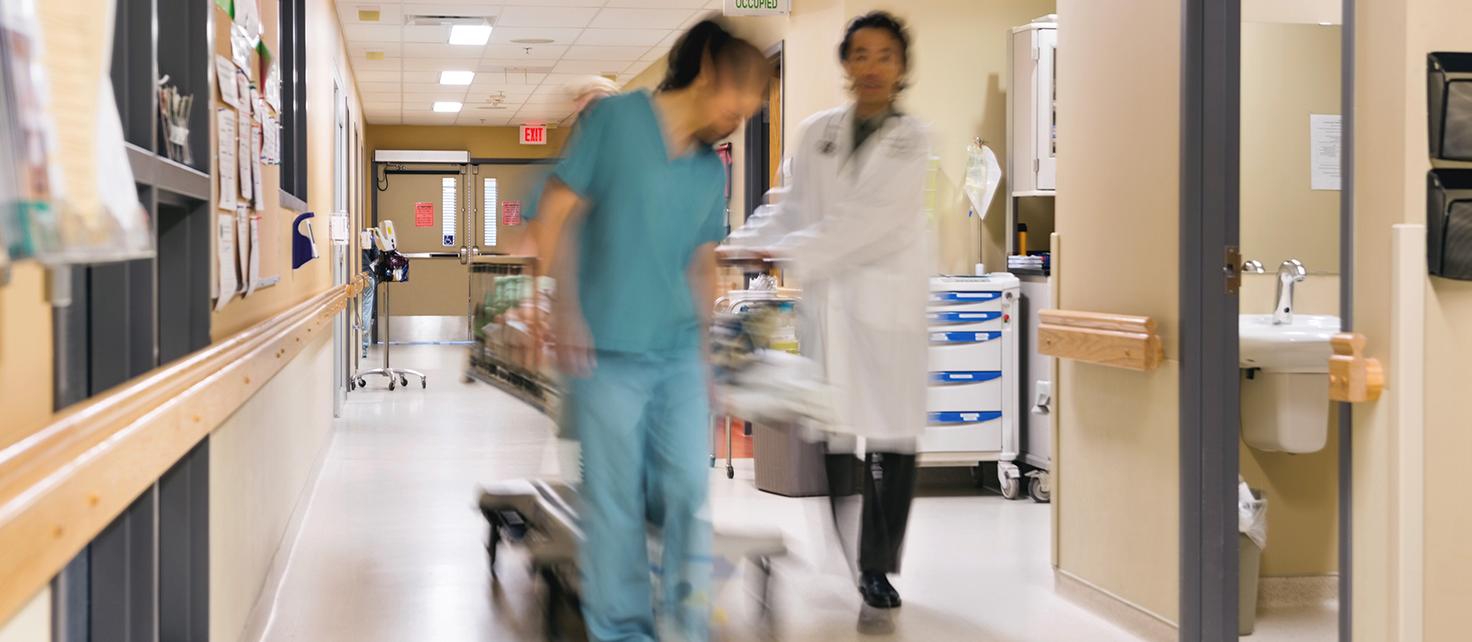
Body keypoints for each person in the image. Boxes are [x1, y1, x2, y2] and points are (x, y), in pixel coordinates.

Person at [533, 20, 769, 642]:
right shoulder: (615, 123)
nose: (739, 120)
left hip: (677, 353)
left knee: (690, 489)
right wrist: (563, 311)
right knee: (614, 505)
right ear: (711, 70)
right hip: (605, 350)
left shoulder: (708, 171)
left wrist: (706, 355)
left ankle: (686, 625)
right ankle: (624, 630)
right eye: (738, 104)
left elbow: (701, 261)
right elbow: (559, 208)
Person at [721, 10, 930, 630]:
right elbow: (786, 205)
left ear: (901, 68)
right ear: (845, 63)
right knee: (835, 438)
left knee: (891, 440)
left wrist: (788, 251)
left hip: (887, 310)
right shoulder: (816, 133)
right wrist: (739, 245)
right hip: (833, 310)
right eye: (860, 54)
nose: (871, 66)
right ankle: (858, 557)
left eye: (884, 55)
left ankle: (878, 566)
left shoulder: (912, 140)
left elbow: (870, 222)